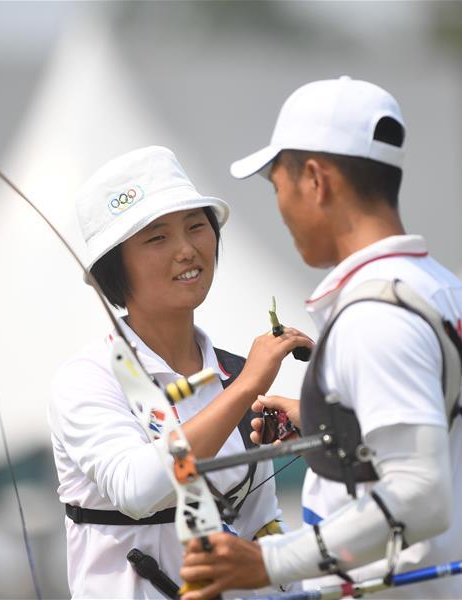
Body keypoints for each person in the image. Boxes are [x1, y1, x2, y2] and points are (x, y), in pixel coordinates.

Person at [180, 77, 462, 599]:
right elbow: (430, 445)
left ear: (315, 180)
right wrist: (328, 423)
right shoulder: (447, 292)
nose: (280, 206)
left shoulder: (376, 316)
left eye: (276, 184)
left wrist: (267, 561)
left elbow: (420, 496)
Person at [48, 146, 314, 598]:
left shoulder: (229, 372)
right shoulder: (88, 379)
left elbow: (259, 524)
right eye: (157, 238)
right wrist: (249, 383)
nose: (187, 250)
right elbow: (138, 489)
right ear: (115, 267)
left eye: (196, 227)